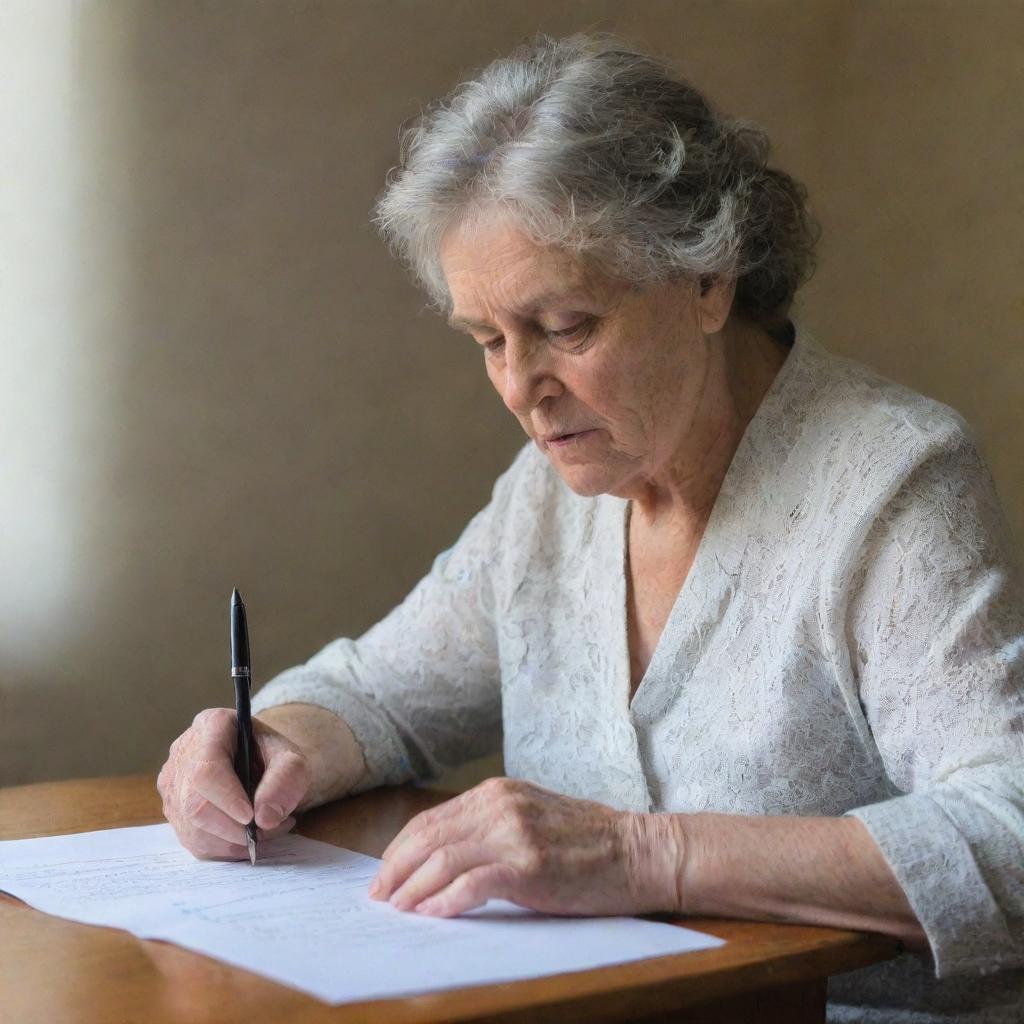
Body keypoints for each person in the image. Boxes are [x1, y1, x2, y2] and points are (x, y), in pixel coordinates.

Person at [157, 34, 1024, 1022]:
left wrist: (636, 852)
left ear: (709, 277)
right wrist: (270, 737)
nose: (522, 388)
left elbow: (1008, 828)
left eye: (567, 327)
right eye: (487, 340)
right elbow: (379, 694)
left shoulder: (890, 480)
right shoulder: (548, 493)